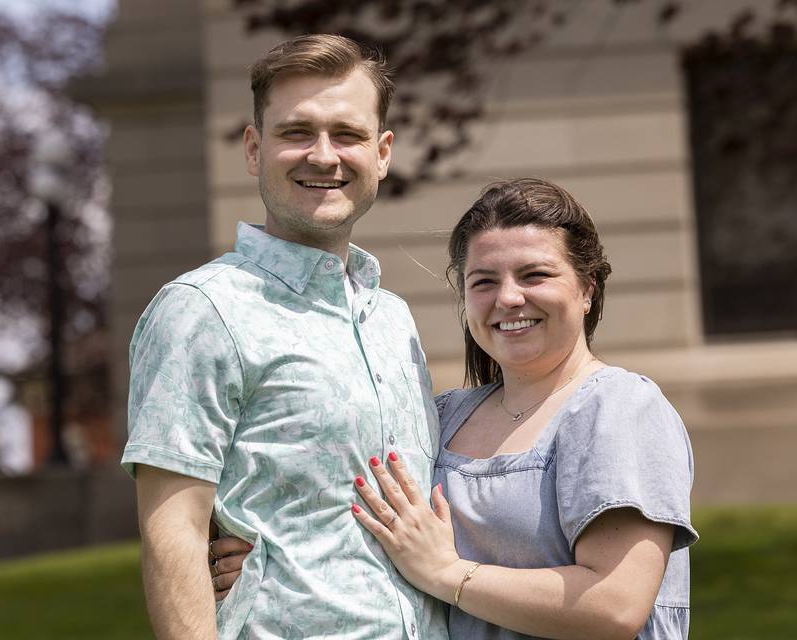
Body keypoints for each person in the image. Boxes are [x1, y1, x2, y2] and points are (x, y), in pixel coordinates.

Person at [214, 178, 698, 639]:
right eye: (484, 281)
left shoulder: (619, 409)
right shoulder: (442, 416)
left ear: (588, 288)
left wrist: (448, 573)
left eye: (535, 275)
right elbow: (360, 523)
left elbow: (613, 606)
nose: (508, 298)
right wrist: (270, 559)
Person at [121, 34, 448, 640]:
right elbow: (174, 533)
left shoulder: (392, 317)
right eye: (297, 132)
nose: (323, 155)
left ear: (382, 154)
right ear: (254, 149)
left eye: (347, 135)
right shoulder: (201, 311)